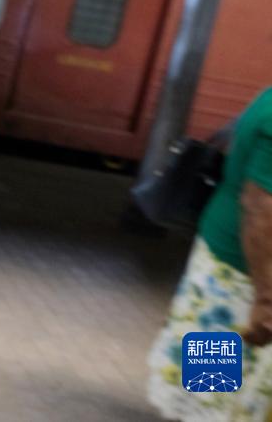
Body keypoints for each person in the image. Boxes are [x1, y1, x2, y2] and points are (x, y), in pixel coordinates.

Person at [146, 87, 272, 420]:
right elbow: (261, 209)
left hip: (225, 259)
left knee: (208, 383)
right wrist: (266, 299)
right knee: (214, 389)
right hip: (246, 271)